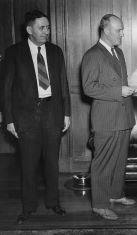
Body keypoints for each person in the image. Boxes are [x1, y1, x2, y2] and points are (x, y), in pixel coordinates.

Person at [2, 10, 71, 224]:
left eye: (48, 27)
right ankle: (28, 207)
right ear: (29, 29)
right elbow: (5, 89)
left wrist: (67, 113)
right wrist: (10, 119)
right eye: (42, 27)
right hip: (25, 118)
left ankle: (53, 202)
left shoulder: (56, 51)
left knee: (52, 163)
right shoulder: (14, 52)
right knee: (28, 165)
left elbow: (64, 85)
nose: (46, 32)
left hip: (53, 114)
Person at [81, 14, 136, 220]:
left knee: (120, 161)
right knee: (102, 163)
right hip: (106, 119)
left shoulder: (118, 52)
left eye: (122, 29)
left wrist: (125, 91)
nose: (122, 33)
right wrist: (118, 91)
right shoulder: (93, 55)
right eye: (118, 30)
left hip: (124, 117)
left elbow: (120, 83)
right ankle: (100, 205)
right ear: (106, 30)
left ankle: (115, 194)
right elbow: (88, 88)